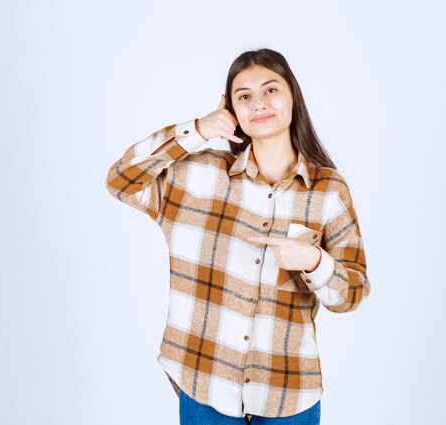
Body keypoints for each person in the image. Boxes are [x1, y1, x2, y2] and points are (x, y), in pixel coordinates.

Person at [105, 48, 371, 425]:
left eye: (270, 90)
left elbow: (353, 293)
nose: (258, 103)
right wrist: (197, 130)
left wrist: (314, 262)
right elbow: (120, 179)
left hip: (289, 394)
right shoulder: (199, 176)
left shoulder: (329, 191)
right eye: (243, 96)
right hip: (203, 384)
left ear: (293, 97)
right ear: (230, 109)